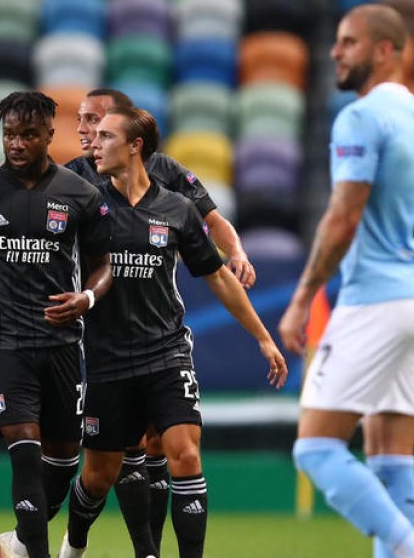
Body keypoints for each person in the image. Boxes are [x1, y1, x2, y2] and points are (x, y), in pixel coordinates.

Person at [0, 87, 257, 553]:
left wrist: (237, 250)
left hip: (154, 338)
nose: (84, 131)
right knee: (102, 462)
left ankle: (142, 551)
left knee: (162, 447)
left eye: (95, 122)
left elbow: (211, 219)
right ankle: (54, 540)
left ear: (128, 131)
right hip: (96, 344)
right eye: (82, 121)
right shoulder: (71, 178)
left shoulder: (164, 173)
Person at [61, 105, 287, 558]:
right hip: (106, 358)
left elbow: (219, 277)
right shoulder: (87, 207)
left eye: (105, 136)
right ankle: (75, 544)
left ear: (134, 146)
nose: (94, 144)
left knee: (184, 453)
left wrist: (263, 337)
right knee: (97, 476)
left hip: (166, 352)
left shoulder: (177, 209)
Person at [279, 5, 414, 558]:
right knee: (391, 459)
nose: (336, 52)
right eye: (336, 41)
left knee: (315, 449)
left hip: (377, 298)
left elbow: (343, 217)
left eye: (350, 42)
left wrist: (304, 297)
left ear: (386, 51)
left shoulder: (361, 116)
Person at [0, 91, 112, 558]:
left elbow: (104, 264)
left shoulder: (81, 194)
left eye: (27, 135)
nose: (16, 144)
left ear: (48, 136)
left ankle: (18, 544)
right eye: (9, 135)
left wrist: (87, 296)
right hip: (4, 340)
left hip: (62, 342)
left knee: (62, 461)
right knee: (23, 447)